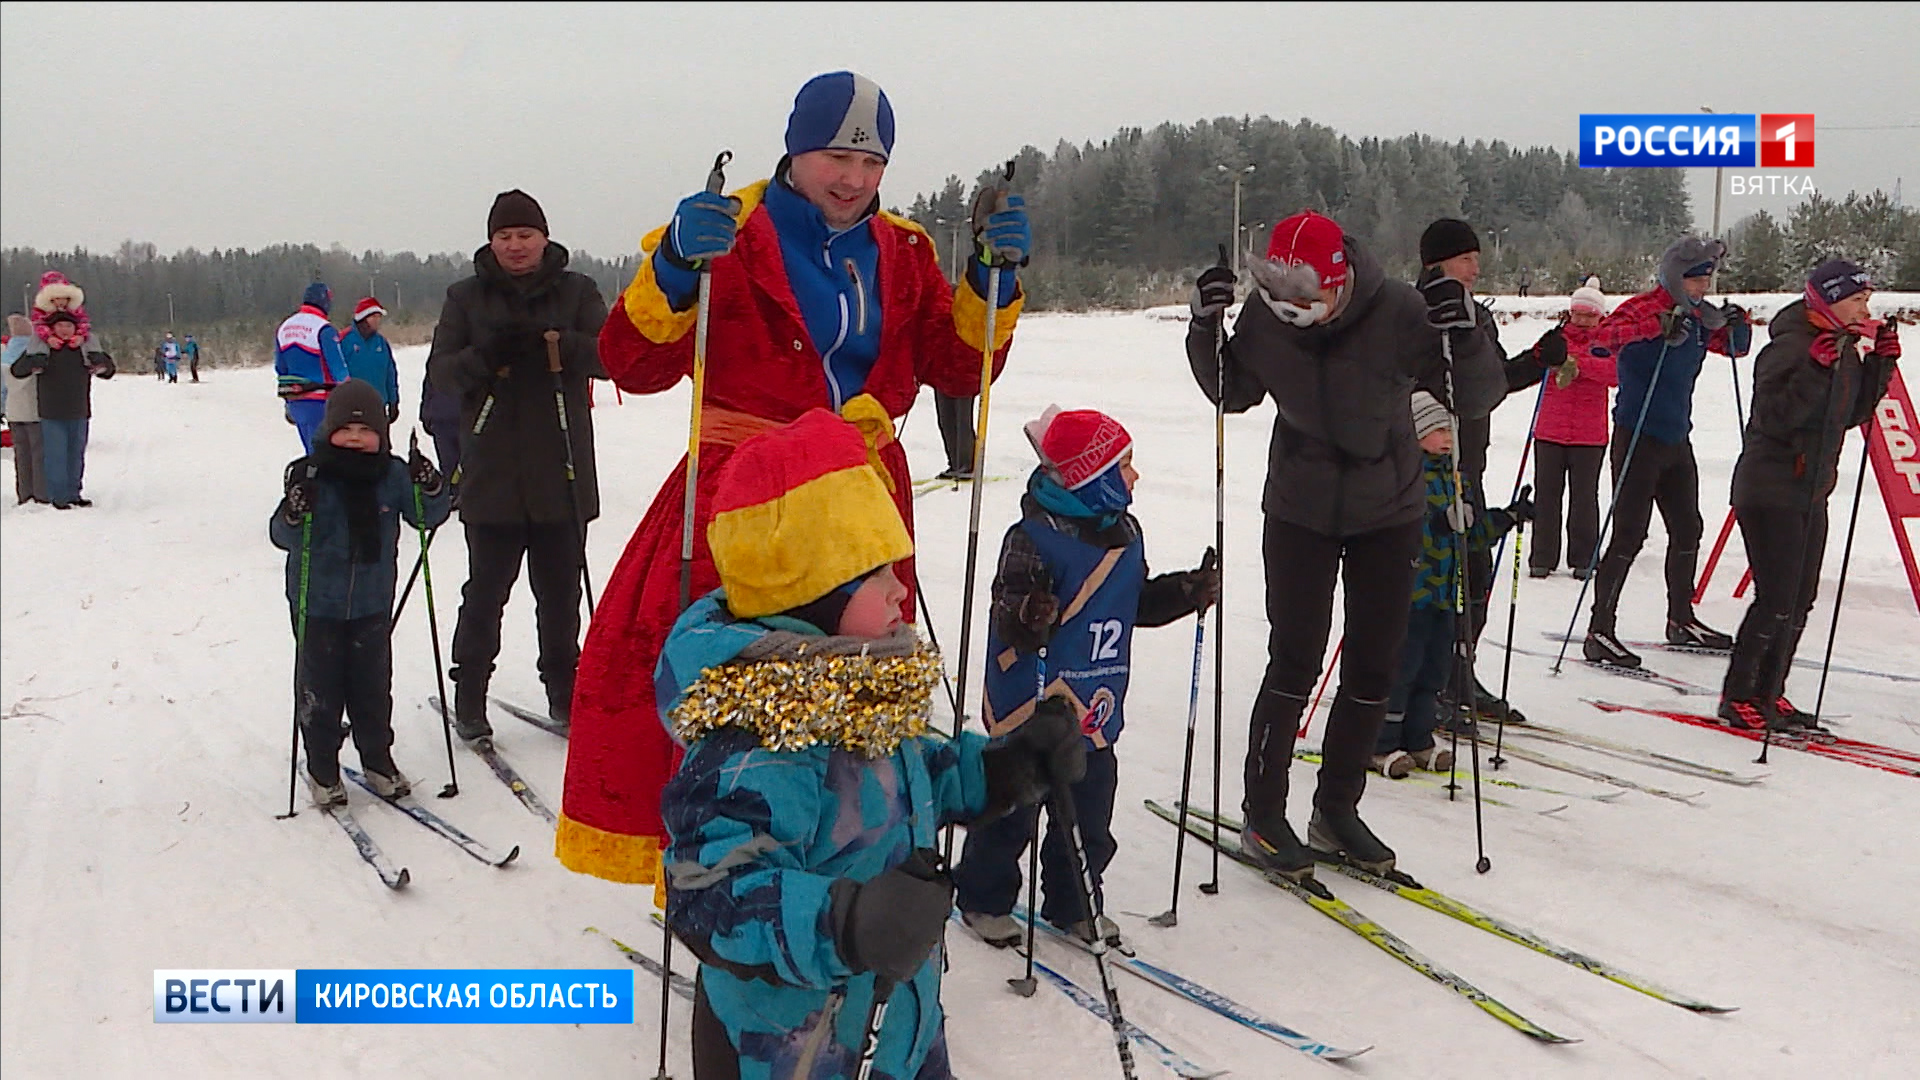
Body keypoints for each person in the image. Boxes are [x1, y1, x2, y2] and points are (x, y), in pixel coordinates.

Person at [560, 70, 1030, 888]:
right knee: (739, 691)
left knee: (862, 685)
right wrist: (673, 268)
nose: (852, 180)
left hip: (857, 503)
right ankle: (724, 880)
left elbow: (960, 366)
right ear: (793, 149)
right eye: (833, 158)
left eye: (871, 163)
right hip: (745, 498)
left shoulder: (907, 251)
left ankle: (857, 860)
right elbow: (631, 365)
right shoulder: (730, 234)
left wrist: (993, 282)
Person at [657, 409, 1083, 1080]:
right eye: (874, 572)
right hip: (793, 1052)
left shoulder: (861, 685)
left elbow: (920, 776)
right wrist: (844, 921)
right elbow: (706, 897)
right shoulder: (755, 739)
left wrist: (1009, 767)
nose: (898, 588)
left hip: (900, 1026)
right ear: (810, 595)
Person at [1186, 210, 1448, 879]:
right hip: (1300, 506)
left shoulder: (1399, 312)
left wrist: (1464, 336)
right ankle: (1263, 816)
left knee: (1373, 663)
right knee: (1296, 659)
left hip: (1388, 508)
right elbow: (1231, 390)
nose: (1292, 313)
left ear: (1342, 280)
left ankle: (1335, 809)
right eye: (1280, 300)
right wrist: (1203, 326)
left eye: (1307, 300)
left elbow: (1473, 394)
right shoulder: (1265, 315)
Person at [952, 406, 1217, 948]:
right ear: (1091, 477)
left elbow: (1129, 602)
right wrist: (1030, 613)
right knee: (1012, 809)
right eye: (1124, 467)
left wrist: (1183, 593)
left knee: (1088, 817)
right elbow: (1009, 612)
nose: (1134, 476)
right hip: (1034, 700)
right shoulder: (1032, 537)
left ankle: (1073, 902)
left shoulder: (1124, 534)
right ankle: (983, 895)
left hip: (1094, 702)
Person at [426, 189, 607, 740]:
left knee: (560, 597)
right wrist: (489, 356)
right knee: (485, 595)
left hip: (562, 472)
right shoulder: (466, 297)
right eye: (504, 237)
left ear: (544, 237)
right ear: (490, 242)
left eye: (524, 235)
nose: (515, 246)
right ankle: (471, 695)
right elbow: (442, 374)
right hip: (492, 475)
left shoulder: (577, 291)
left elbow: (610, 354)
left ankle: (565, 692)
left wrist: (558, 345)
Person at [1720, 261, 1897, 732]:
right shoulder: (1789, 348)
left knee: (1801, 598)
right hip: (1769, 487)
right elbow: (1775, 419)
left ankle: (1769, 690)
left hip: (1811, 488)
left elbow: (1852, 413)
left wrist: (1880, 364)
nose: (1866, 308)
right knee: (1776, 594)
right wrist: (1817, 370)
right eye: (1858, 299)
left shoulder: (1844, 350)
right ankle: (1738, 694)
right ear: (1830, 300)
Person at [271, 380, 451, 805]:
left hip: (371, 603)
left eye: (365, 431)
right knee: (321, 689)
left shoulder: (390, 475)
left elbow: (428, 518)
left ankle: (377, 759)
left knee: (372, 687)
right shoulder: (308, 472)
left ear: (381, 435)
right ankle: (323, 768)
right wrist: (295, 511)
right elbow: (281, 534)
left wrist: (430, 486)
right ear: (329, 430)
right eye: (346, 430)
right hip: (316, 604)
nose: (355, 438)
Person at [1581, 237, 1753, 668]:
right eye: (1695, 280)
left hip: (1676, 437)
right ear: (1676, 277)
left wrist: (1737, 323)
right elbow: (1600, 339)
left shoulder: (1697, 316)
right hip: (1637, 435)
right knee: (1629, 534)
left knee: (1688, 527)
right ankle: (1599, 629)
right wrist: (1654, 327)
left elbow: (1734, 348)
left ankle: (1681, 619)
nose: (1701, 288)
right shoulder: (1645, 307)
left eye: (1706, 280)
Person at [1413, 218, 1550, 728]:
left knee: (1473, 574)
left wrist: (1538, 361)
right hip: (1422, 469)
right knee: (1430, 584)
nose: (1476, 268)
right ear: (1437, 262)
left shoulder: (1477, 316)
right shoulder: (1412, 312)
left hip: (1468, 463)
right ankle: (1422, 682)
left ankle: (1456, 673)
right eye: (1466, 258)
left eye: (1475, 258)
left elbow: (1491, 384)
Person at [1375, 404, 1531, 776]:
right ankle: (1382, 743)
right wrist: (1440, 525)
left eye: (1451, 432)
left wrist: (1505, 518)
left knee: (1434, 669)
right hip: (1410, 594)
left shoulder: (1457, 478)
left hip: (1446, 595)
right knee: (1403, 668)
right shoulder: (1402, 476)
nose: (1447, 439)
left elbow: (1471, 535)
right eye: (1438, 431)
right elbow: (1404, 531)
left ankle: (1420, 739)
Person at [1530, 283, 1616, 579]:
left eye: (1589, 315)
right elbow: (1536, 360)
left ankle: (1583, 559)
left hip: (1589, 435)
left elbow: (1616, 374)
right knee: (1546, 496)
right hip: (1549, 431)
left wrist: (1580, 366)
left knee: (1584, 498)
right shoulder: (1555, 338)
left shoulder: (1607, 341)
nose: (1582, 320)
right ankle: (1541, 558)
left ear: (1599, 316)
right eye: (1578, 314)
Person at [11, 310, 112, 509]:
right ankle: (58, 496)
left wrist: (100, 364)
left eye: (68, 326)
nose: (64, 330)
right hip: (51, 412)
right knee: (56, 455)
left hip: (79, 410)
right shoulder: (43, 348)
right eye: (60, 326)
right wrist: (33, 362)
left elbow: (109, 370)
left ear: (76, 329)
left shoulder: (84, 348)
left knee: (76, 455)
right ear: (52, 329)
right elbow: (18, 370)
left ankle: (74, 493)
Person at [276, 283, 348, 452]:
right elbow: (338, 369)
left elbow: (281, 367)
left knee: (311, 452)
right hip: (323, 402)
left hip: (296, 401)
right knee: (328, 456)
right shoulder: (324, 328)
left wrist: (288, 401)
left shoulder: (284, 327)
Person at [4, 313, 49, 504]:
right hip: (33, 410)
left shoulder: (5, 354)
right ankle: (41, 493)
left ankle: (23, 493)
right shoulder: (32, 352)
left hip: (13, 411)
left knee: (21, 455)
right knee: (38, 454)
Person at [338, 297, 400, 423]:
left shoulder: (381, 342)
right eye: (374, 317)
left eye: (379, 317)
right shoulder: (344, 340)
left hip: (378, 404)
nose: (378, 321)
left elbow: (390, 373)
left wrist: (394, 401)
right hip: (350, 406)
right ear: (363, 318)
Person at [29, 270, 90, 345]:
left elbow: (83, 321)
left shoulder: (76, 309)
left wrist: (81, 336)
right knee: (36, 341)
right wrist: (49, 337)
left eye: (64, 298)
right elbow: (38, 324)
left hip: (74, 339)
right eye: (57, 298)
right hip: (49, 341)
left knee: (91, 340)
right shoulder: (40, 310)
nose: (61, 302)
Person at [934, 390, 976, 479]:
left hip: (964, 381)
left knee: (962, 421)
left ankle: (966, 465)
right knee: (946, 420)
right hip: (941, 380)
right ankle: (954, 463)